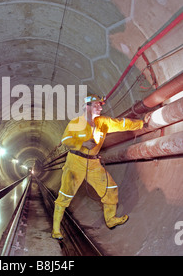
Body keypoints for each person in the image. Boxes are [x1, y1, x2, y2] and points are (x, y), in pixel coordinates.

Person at [51, 94, 147, 240]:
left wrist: (141, 123)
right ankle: (56, 230)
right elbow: (66, 140)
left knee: (110, 188)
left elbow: (121, 123)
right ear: (87, 107)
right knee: (66, 195)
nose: (100, 108)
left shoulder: (103, 122)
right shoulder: (76, 122)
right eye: (96, 105)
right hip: (75, 162)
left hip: (93, 164)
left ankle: (111, 219)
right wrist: (81, 144)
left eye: (101, 105)